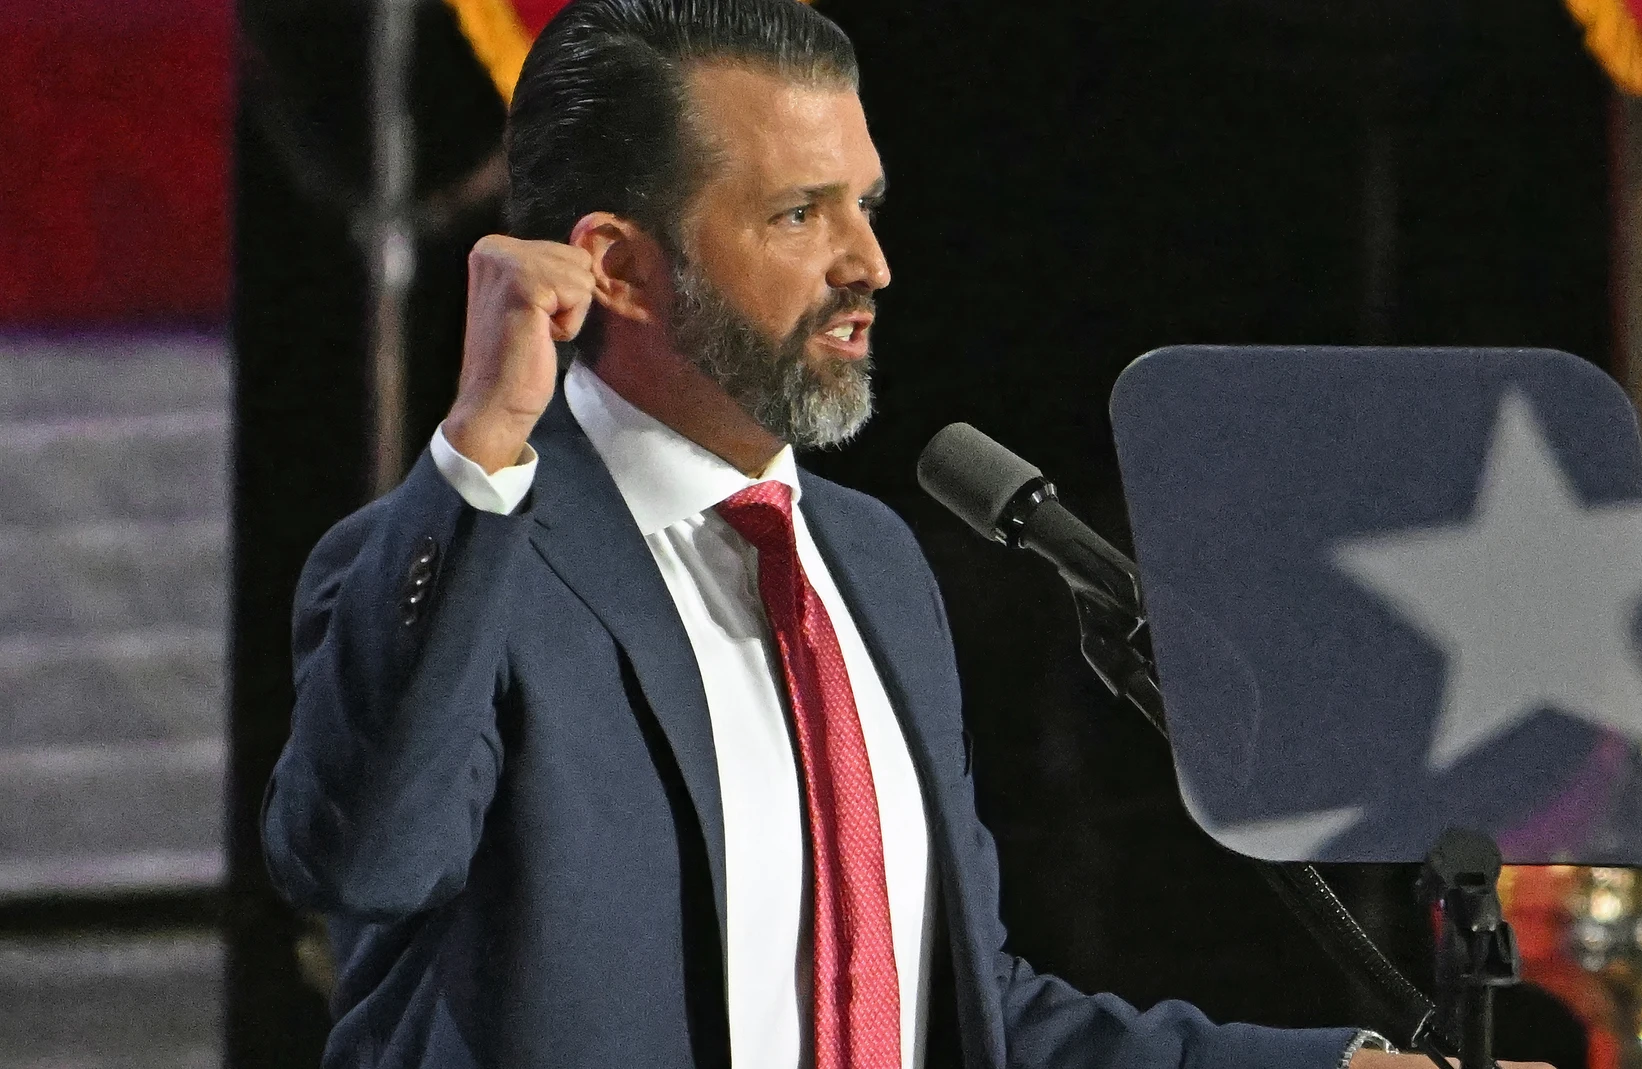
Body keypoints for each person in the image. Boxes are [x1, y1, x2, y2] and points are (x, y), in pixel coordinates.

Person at [261, 2, 1553, 1067]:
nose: (869, 260)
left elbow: (960, 1015)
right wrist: (482, 451)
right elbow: (361, 856)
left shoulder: (869, 566)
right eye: (797, 214)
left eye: (865, 203)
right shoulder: (464, 558)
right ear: (617, 266)